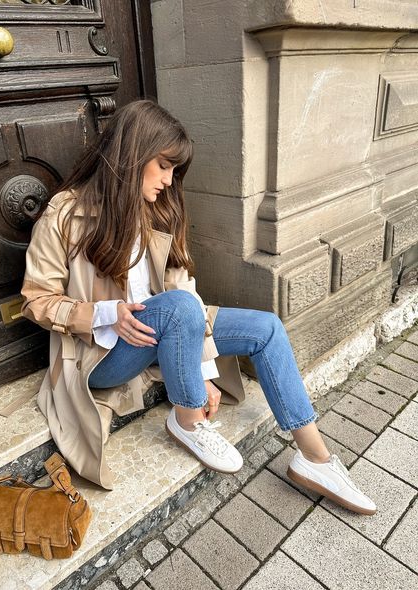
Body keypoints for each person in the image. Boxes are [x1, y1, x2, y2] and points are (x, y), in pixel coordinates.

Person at [21, 100, 376, 515]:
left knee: (266, 328)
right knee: (178, 308)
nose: (170, 182)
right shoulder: (65, 213)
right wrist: (105, 314)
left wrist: (202, 369)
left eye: (175, 171)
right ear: (132, 154)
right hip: (101, 353)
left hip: (165, 327)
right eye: (165, 166)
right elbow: (36, 300)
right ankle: (187, 422)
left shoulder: (157, 210)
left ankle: (315, 459)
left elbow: (180, 288)